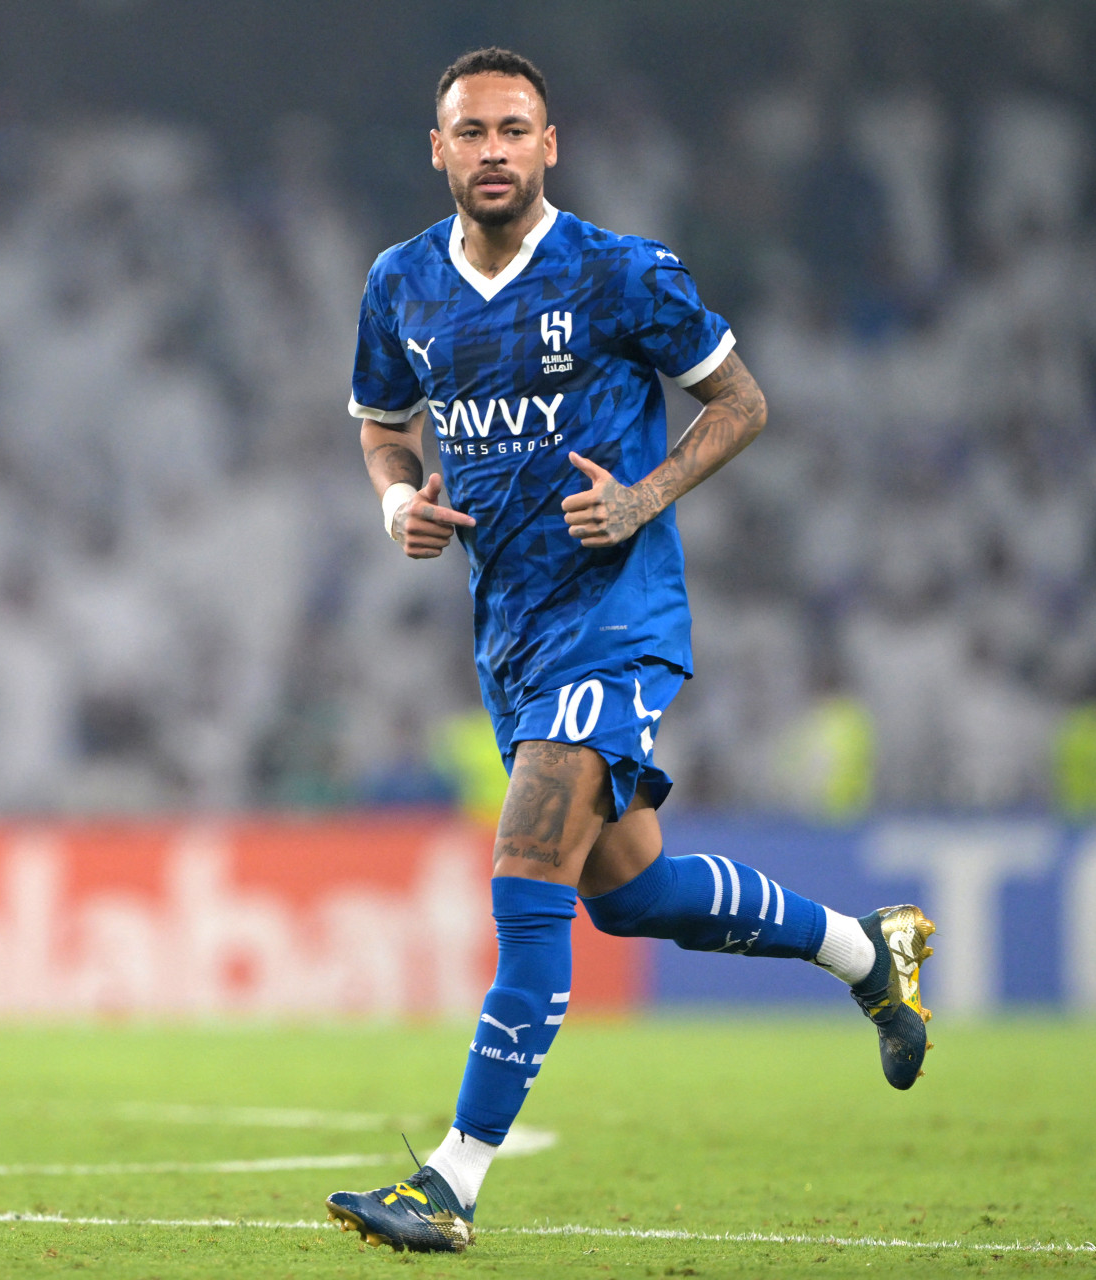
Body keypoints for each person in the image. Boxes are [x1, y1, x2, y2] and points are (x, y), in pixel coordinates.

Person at [324, 49, 936, 1254]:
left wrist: (647, 493)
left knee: (528, 861)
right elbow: (383, 431)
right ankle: (874, 951)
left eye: (515, 129)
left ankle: (450, 1181)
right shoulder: (400, 284)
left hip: (619, 614)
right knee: (630, 892)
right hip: (511, 626)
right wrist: (397, 505)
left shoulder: (620, 272)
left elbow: (742, 401)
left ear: (550, 146)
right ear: (438, 151)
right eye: (471, 132)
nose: (493, 149)